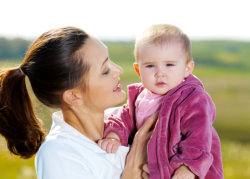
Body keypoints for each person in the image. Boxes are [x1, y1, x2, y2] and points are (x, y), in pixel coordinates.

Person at [0, 26, 155, 179]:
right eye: (105, 70)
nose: (118, 70)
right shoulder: (58, 154)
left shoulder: (129, 118)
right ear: (74, 96)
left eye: (110, 61)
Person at [98, 24, 224, 179]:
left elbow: (199, 136)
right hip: (151, 169)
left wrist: (188, 167)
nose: (160, 73)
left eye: (169, 65)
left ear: (187, 68)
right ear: (138, 70)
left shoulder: (192, 98)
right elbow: (123, 118)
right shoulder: (139, 96)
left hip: (187, 172)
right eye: (150, 66)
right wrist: (114, 135)